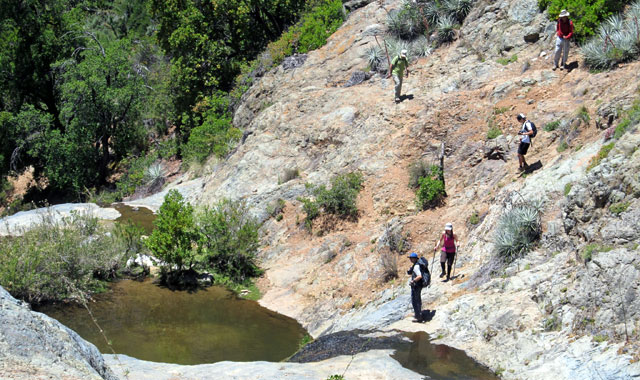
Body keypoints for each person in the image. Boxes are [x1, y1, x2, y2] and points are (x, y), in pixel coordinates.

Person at [407, 252, 423, 322]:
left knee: (415, 301)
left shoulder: (416, 266)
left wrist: (413, 281)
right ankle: (419, 314)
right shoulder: (416, 265)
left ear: (414, 259)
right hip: (418, 285)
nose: (410, 259)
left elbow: (419, 276)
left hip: (416, 285)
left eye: (411, 258)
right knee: (418, 299)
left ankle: (418, 316)